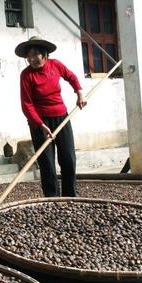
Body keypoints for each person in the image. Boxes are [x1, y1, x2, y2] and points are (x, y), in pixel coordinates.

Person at [15, 36, 86, 197]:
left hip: (62, 117)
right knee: (47, 162)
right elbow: (26, 104)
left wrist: (80, 93)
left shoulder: (56, 65)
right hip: (39, 122)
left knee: (68, 158)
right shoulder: (26, 75)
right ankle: (52, 198)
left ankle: (70, 195)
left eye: (35, 55)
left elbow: (71, 77)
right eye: (28, 56)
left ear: (44, 54)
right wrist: (40, 124)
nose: (31, 59)